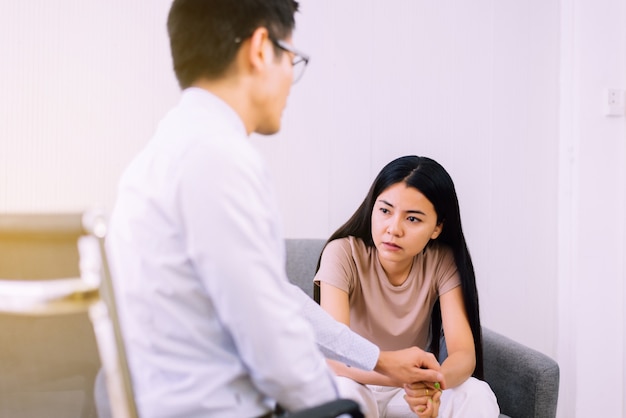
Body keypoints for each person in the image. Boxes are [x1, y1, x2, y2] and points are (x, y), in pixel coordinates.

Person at [106, 2, 442, 417]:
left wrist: (375, 358)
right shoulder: (219, 161)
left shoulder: (163, 155)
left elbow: (275, 297)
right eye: (292, 59)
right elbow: (273, 345)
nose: (290, 80)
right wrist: (343, 399)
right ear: (262, 48)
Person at [314, 155, 501, 418]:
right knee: (342, 395)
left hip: (408, 393)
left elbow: (463, 354)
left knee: (475, 393)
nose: (393, 229)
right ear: (372, 207)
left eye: (412, 219)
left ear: (436, 228)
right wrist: (399, 375)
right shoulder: (343, 253)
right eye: (385, 211)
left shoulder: (441, 260)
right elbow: (334, 354)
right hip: (354, 380)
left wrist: (432, 384)